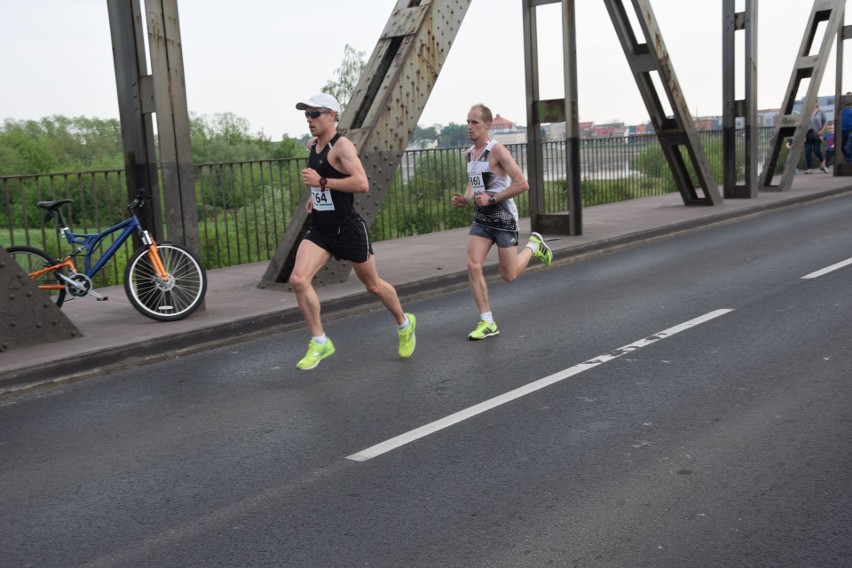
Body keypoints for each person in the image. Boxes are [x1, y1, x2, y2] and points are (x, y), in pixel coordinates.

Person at [289, 93, 416, 369]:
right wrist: (316, 195)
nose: (309, 120)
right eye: (306, 115)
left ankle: (404, 324)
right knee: (298, 280)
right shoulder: (313, 145)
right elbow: (324, 185)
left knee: (373, 285)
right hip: (321, 229)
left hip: (347, 228)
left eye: (314, 114)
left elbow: (361, 183)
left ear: (332, 116)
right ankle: (320, 342)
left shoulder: (342, 146)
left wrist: (322, 182)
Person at [451, 103, 553, 340]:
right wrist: (466, 199)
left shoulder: (498, 151)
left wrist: (493, 198)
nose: (469, 126)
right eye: (467, 121)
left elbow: (522, 184)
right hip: (481, 218)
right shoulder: (469, 153)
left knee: (509, 275)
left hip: (504, 218)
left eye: (474, 122)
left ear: (487, 125)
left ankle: (534, 246)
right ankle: (487, 322)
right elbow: (474, 182)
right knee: (472, 265)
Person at [803, 101, 828, 174]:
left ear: (817, 103)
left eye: (814, 102)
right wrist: (803, 135)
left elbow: (825, 122)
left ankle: (823, 162)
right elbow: (803, 123)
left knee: (816, 150)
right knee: (807, 151)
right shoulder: (807, 113)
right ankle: (809, 168)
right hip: (807, 134)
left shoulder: (821, 112)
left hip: (817, 134)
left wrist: (822, 131)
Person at [841, 93, 852, 164]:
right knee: (841, 147)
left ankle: (849, 161)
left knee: (849, 146)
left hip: (851, 129)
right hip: (842, 129)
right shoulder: (841, 108)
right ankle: (848, 159)